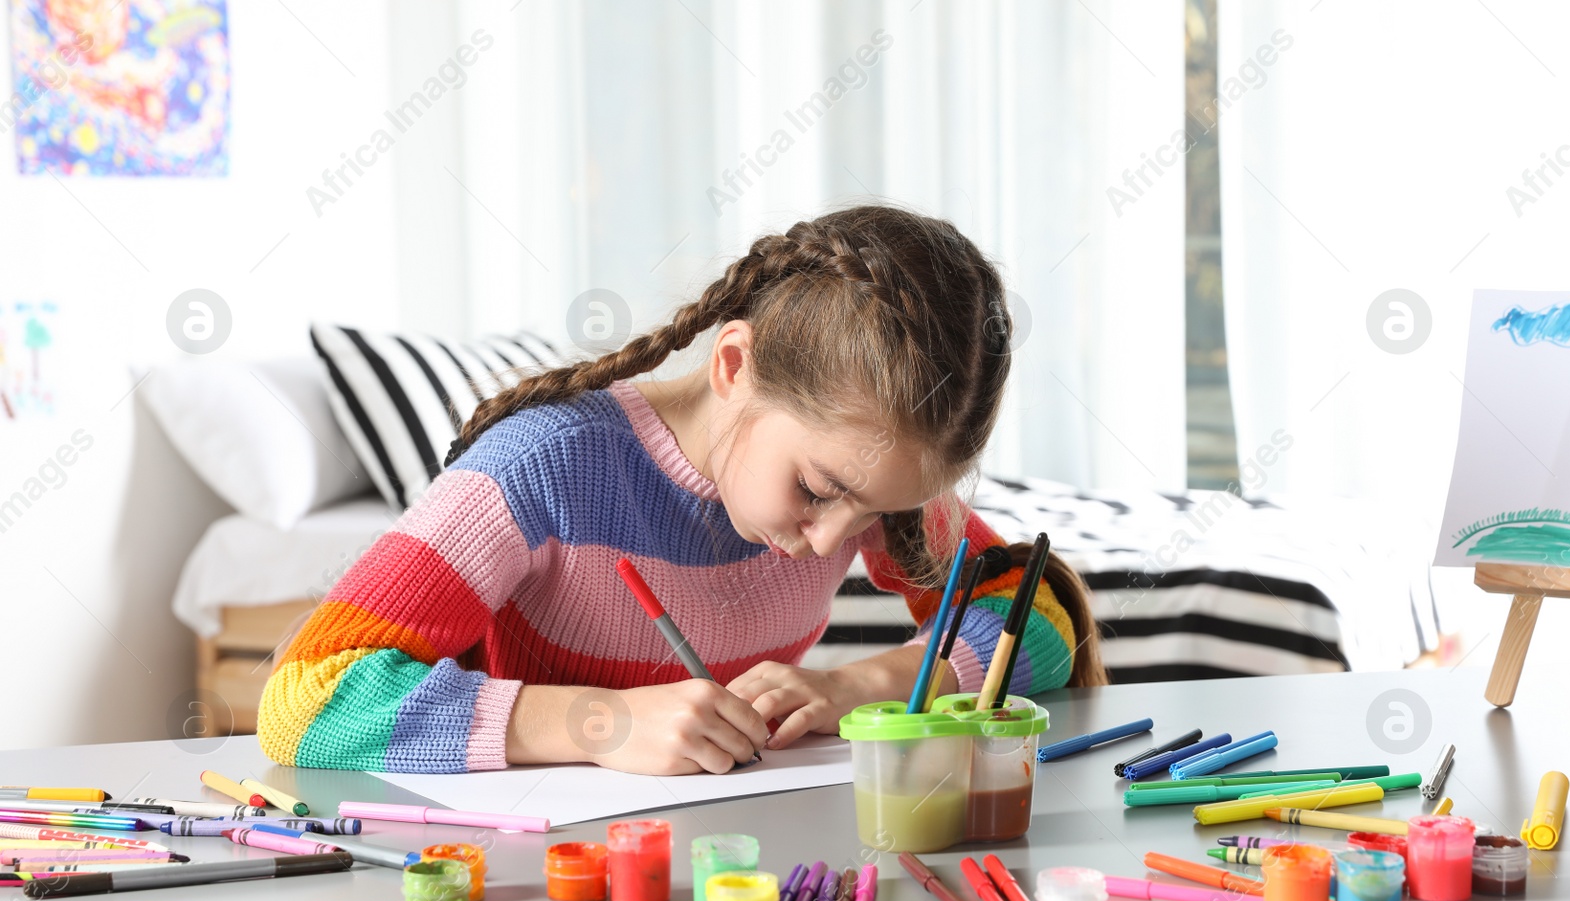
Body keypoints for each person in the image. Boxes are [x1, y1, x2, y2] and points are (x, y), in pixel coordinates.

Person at [257, 205, 1105, 775]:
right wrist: (603, 724)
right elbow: (301, 703)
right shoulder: (543, 467)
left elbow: (1046, 615)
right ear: (733, 366)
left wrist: (862, 685)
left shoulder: (866, 478)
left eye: (875, 514)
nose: (832, 539)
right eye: (815, 490)